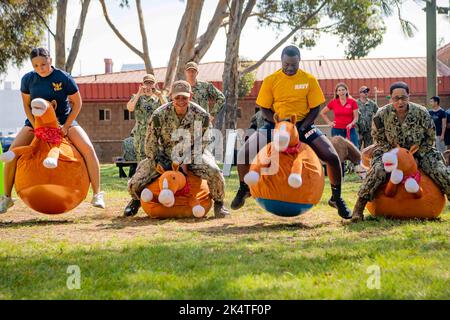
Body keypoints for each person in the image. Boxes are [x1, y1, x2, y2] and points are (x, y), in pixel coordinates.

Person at [231, 45, 352, 219]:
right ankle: (244, 189)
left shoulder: (309, 80)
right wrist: (276, 122)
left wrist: (303, 127)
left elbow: (315, 107)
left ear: (299, 61)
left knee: (331, 156)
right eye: (286, 64)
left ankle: (336, 198)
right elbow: (264, 108)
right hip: (276, 125)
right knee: (244, 153)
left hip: (303, 125)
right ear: (281, 60)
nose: (289, 68)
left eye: (293, 65)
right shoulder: (271, 80)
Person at [0, 47, 105, 213]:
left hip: (63, 122)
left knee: (89, 150)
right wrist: (36, 127)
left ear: (50, 60)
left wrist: (66, 126)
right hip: (35, 123)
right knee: (13, 152)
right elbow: (27, 106)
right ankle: (6, 198)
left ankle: (97, 194)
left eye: (43, 63)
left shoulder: (63, 77)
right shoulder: (28, 79)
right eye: (36, 65)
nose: (40, 68)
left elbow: (77, 103)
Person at [124, 80, 230, 218]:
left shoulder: (201, 115)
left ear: (190, 96)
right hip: (165, 156)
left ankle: (219, 203)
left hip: (193, 156)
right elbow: (150, 143)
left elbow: (203, 142)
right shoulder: (159, 115)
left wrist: (185, 161)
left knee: (215, 172)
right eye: (177, 97)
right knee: (135, 182)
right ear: (171, 97)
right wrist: (158, 162)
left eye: (184, 97)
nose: (181, 101)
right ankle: (136, 200)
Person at [352, 82, 450, 221]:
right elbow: (378, 138)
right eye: (396, 98)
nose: (400, 101)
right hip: (390, 153)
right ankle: (358, 208)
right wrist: (395, 156)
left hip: (420, 151)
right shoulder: (381, 114)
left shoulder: (421, 112)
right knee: (377, 170)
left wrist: (415, 156)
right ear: (390, 98)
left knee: (440, 171)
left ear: (409, 96)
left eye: (403, 98)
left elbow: (430, 137)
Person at [126, 74, 167, 161]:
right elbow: (130, 108)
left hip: (154, 133)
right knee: (141, 159)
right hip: (140, 134)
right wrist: (138, 94)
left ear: (154, 85)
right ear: (143, 84)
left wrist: (160, 96)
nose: (149, 85)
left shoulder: (158, 98)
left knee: (155, 158)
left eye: (151, 83)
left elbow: (167, 109)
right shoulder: (137, 97)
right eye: (146, 83)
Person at [320, 82, 359, 149]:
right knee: (338, 149)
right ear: (337, 93)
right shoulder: (333, 102)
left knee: (354, 148)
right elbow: (322, 113)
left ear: (346, 91)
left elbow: (356, 118)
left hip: (350, 129)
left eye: (343, 90)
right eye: (339, 90)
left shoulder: (353, 102)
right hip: (336, 129)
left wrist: (351, 124)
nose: (341, 92)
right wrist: (329, 122)